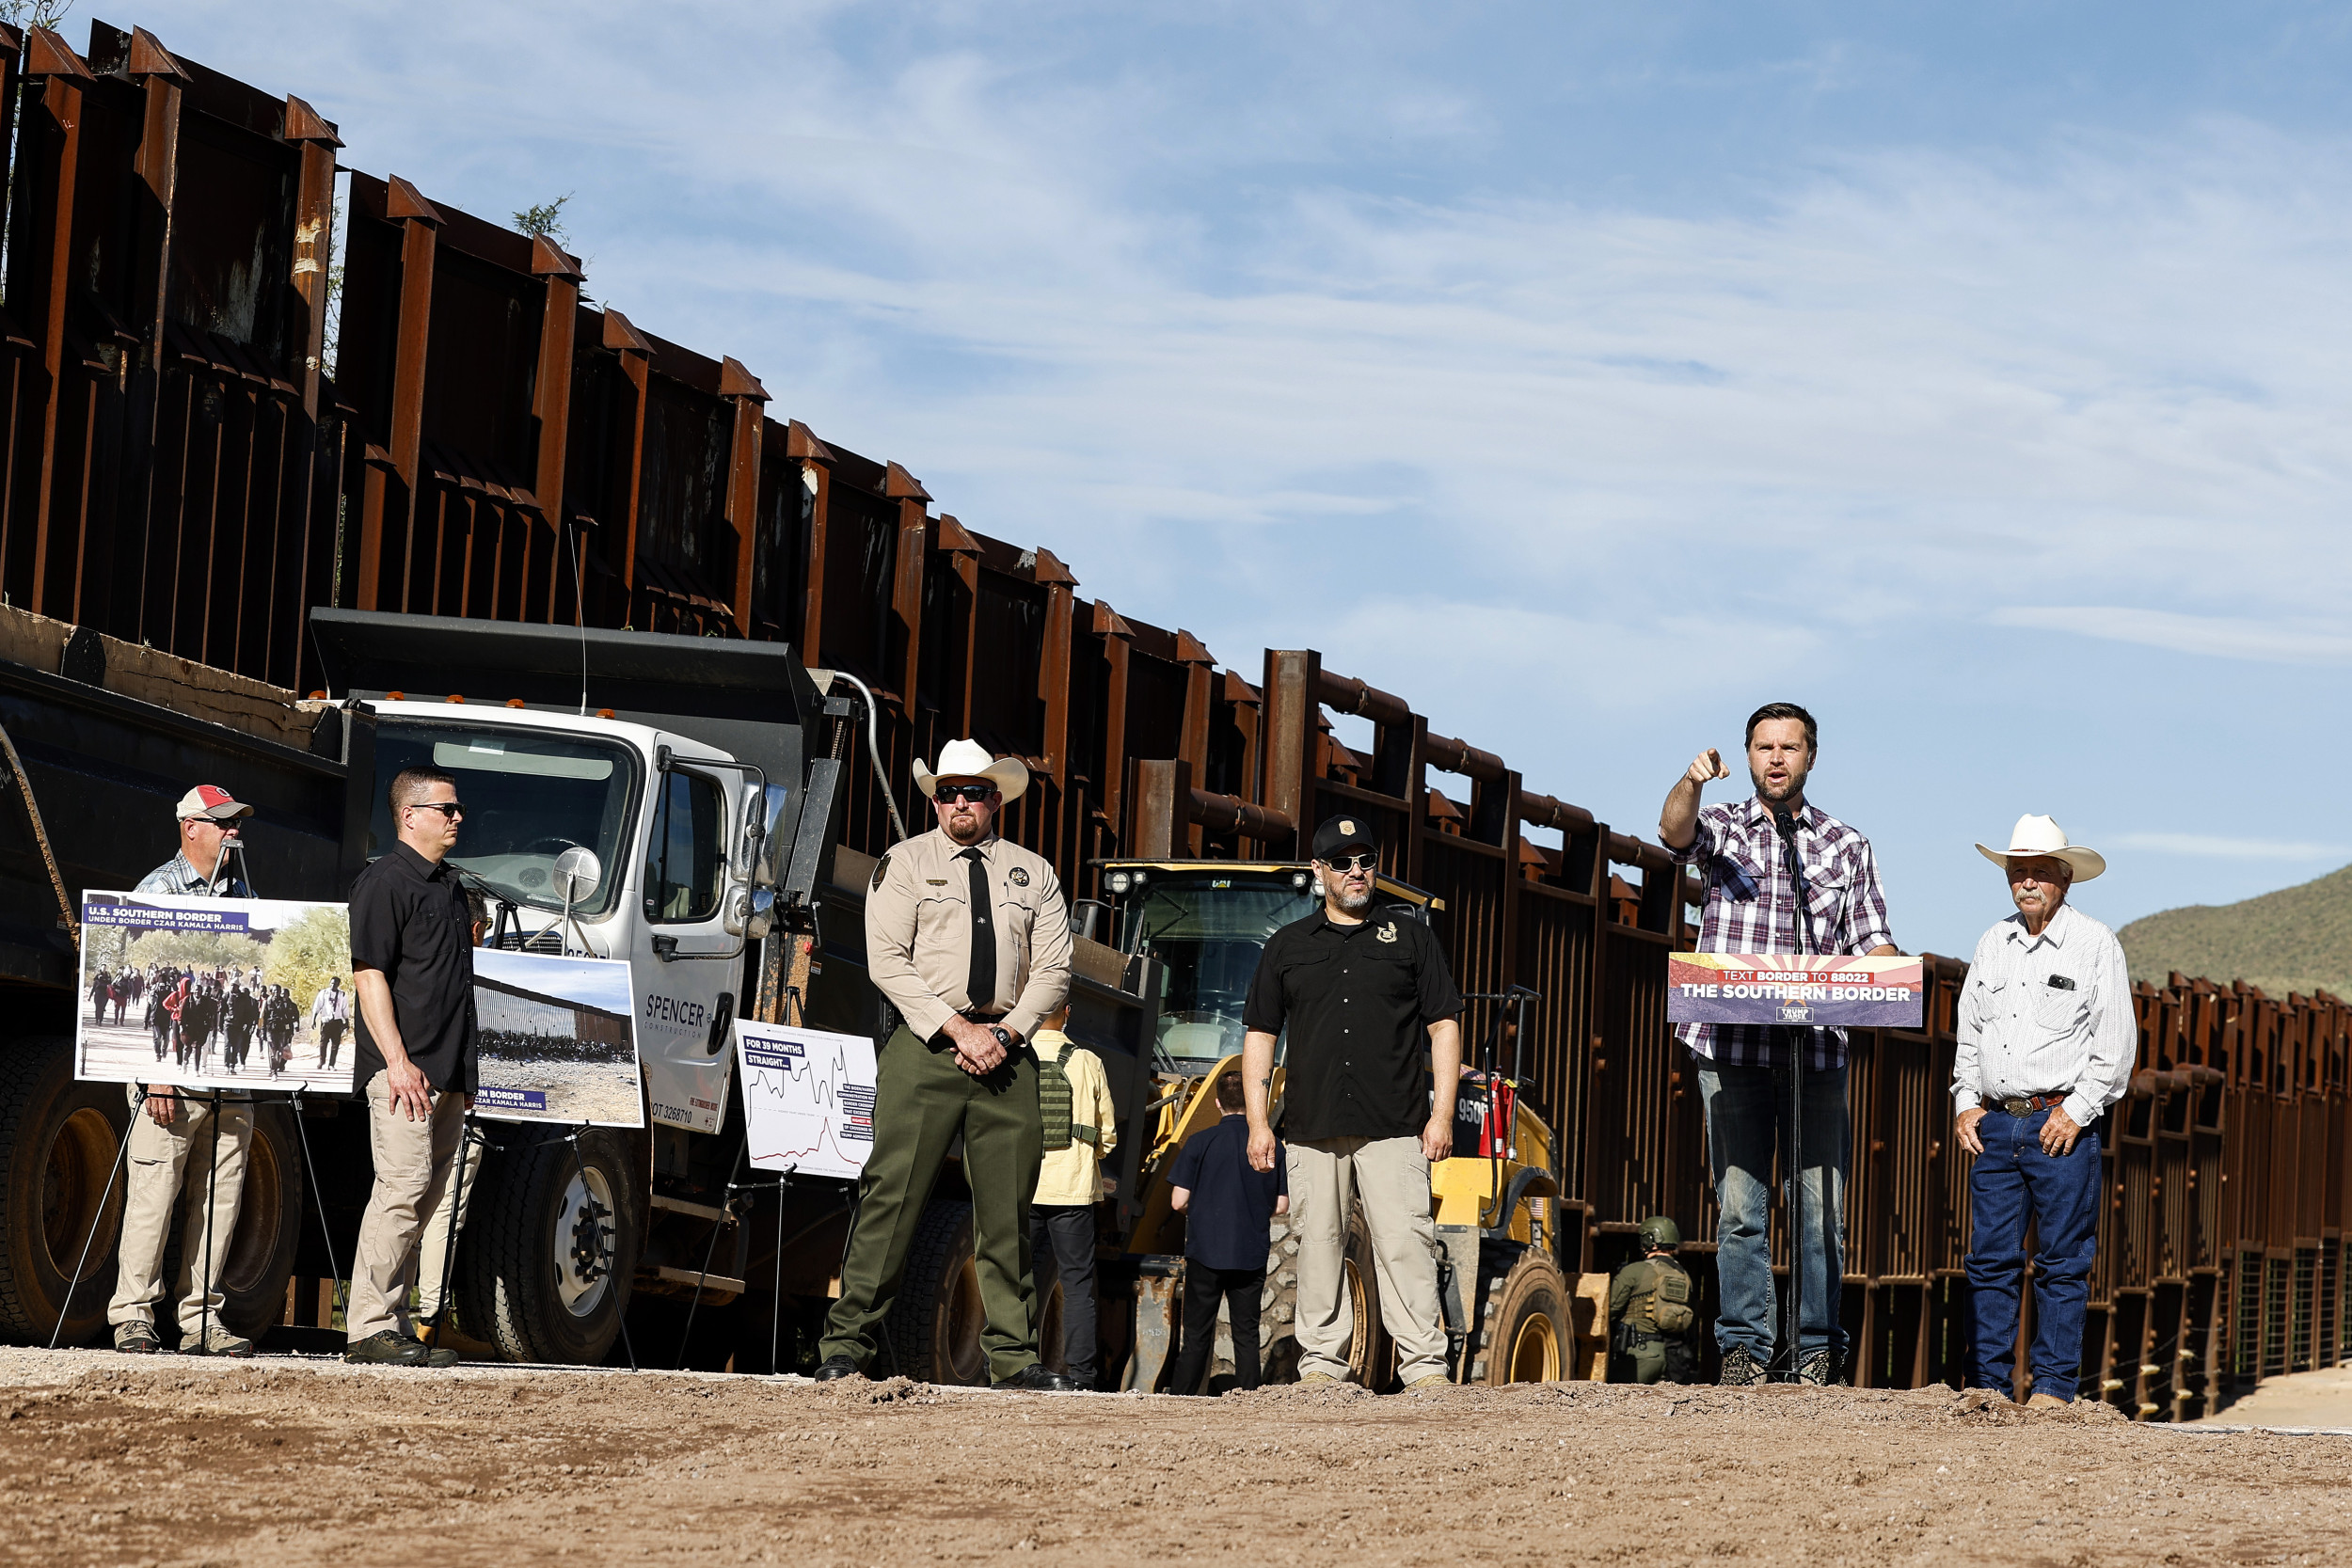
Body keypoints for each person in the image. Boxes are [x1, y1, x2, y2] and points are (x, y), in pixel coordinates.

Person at [814, 739, 1075, 1391]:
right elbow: (887, 961)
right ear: (934, 798)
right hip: (926, 1047)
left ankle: (1014, 1359)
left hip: (1009, 1055)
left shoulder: (1034, 873)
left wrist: (1008, 1032)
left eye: (975, 791)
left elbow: (1054, 969)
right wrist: (959, 1027)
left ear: (997, 799)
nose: (962, 801)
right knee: (890, 1198)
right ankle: (846, 1348)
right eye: (950, 790)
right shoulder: (903, 863)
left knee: (1008, 1212)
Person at [1661, 702, 1899, 1387]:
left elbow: (1872, 938)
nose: (1775, 758)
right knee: (1740, 1206)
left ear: (1810, 757)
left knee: (1820, 1210)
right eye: (1764, 746)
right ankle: (1744, 1346)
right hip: (1731, 1051)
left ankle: (1817, 1347)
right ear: (1749, 752)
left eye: (1788, 747)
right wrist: (1691, 781)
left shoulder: (1845, 845)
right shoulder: (1724, 826)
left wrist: (1892, 974)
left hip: (1815, 1051)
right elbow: (1675, 831)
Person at [1241, 814, 1462, 1392]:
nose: (1357, 871)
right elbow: (1260, 1036)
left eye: (1365, 860)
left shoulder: (1410, 937)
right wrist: (1259, 1124)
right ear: (1320, 871)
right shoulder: (1287, 948)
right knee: (1317, 1246)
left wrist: (1441, 1115)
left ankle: (1425, 1370)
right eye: (1343, 862)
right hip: (1312, 1124)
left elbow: (1444, 1025)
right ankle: (1321, 1368)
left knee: (1405, 1244)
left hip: (1396, 1124)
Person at [1953, 816, 2135, 1408]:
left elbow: (2115, 1044)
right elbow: (1970, 1031)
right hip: (1998, 1123)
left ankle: (2054, 1392)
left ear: (2064, 879)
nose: (2027, 883)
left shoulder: (2096, 943)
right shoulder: (1991, 943)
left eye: (2038, 872)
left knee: (2062, 1261)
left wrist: (2079, 1111)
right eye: (2018, 872)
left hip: (2062, 1123)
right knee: (1989, 1260)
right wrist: (1964, 1103)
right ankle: (1987, 1389)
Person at [108, 785, 259, 1357]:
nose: (232, 832)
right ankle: (133, 1317)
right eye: (222, 824)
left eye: (236, 823)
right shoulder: (157, 890)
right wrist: (155, 1075)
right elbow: (138, 987)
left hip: (230, 1075)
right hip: (170, 1072)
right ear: (189, 827)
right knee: (154, 1192)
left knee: (221, 1196)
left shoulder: (243, 890)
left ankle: (202, 1319)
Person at [344, 766, 478, 1368]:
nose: (456, 817)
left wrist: (463, 1076)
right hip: (403, 1072)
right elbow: (369, 975)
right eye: (445, 808)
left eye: (457, 809)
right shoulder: (384, 883)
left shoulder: (451, 886)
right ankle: (368, 1325)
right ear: (409, 816)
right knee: (399, 1190)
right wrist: (397, 1062)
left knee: (424, 1198)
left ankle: (395, 1323)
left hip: (447, 1074)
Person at [1168, 1069, 1289, 1394]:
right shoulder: (1272, 1145)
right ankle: (1249, 1396)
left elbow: (1178, 1200)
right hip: (1249, 1251)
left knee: (1196, 1335)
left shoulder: (1199, 1142)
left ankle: (1182, 1396)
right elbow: (1280, 1206)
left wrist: (1205, 1212)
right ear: (1251, 1104)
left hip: (1205, 1251)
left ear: (1218, 1102)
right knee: (1247, 1334)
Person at [1028, 1001, 1119, 1390]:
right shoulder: (1087, 1060)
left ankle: (1008, 1365)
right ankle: (1081, 1376)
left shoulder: (1018, 1057)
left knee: (1014, 1277)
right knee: (1078, 1283)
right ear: (1068, 1011)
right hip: (1073, 1189)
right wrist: (1089, 1154)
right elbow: (1109, 1135)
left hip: (1024, 1185)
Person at [1609, 1216, 1700, 1385]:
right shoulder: (1684, 1276)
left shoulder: (1634, 1271)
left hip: (1639, 1355)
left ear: (1648, 1239)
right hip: (1674, 1361)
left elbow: (1609, 1310)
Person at [311, 974, 350, 1069]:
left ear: (338, 984)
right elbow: (317, 1006)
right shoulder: (324, 993)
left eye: (336, 984)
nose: (333, 985)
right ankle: (322, 1061)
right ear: (330, 983)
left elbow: (345, 1009)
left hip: (337, 1022)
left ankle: (331, 1064)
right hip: (326, 1021)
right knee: (323, 1043)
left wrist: (347, 1021)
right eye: (332, 983)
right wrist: (314, 1020)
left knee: (335, 1044)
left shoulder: (342, 995)